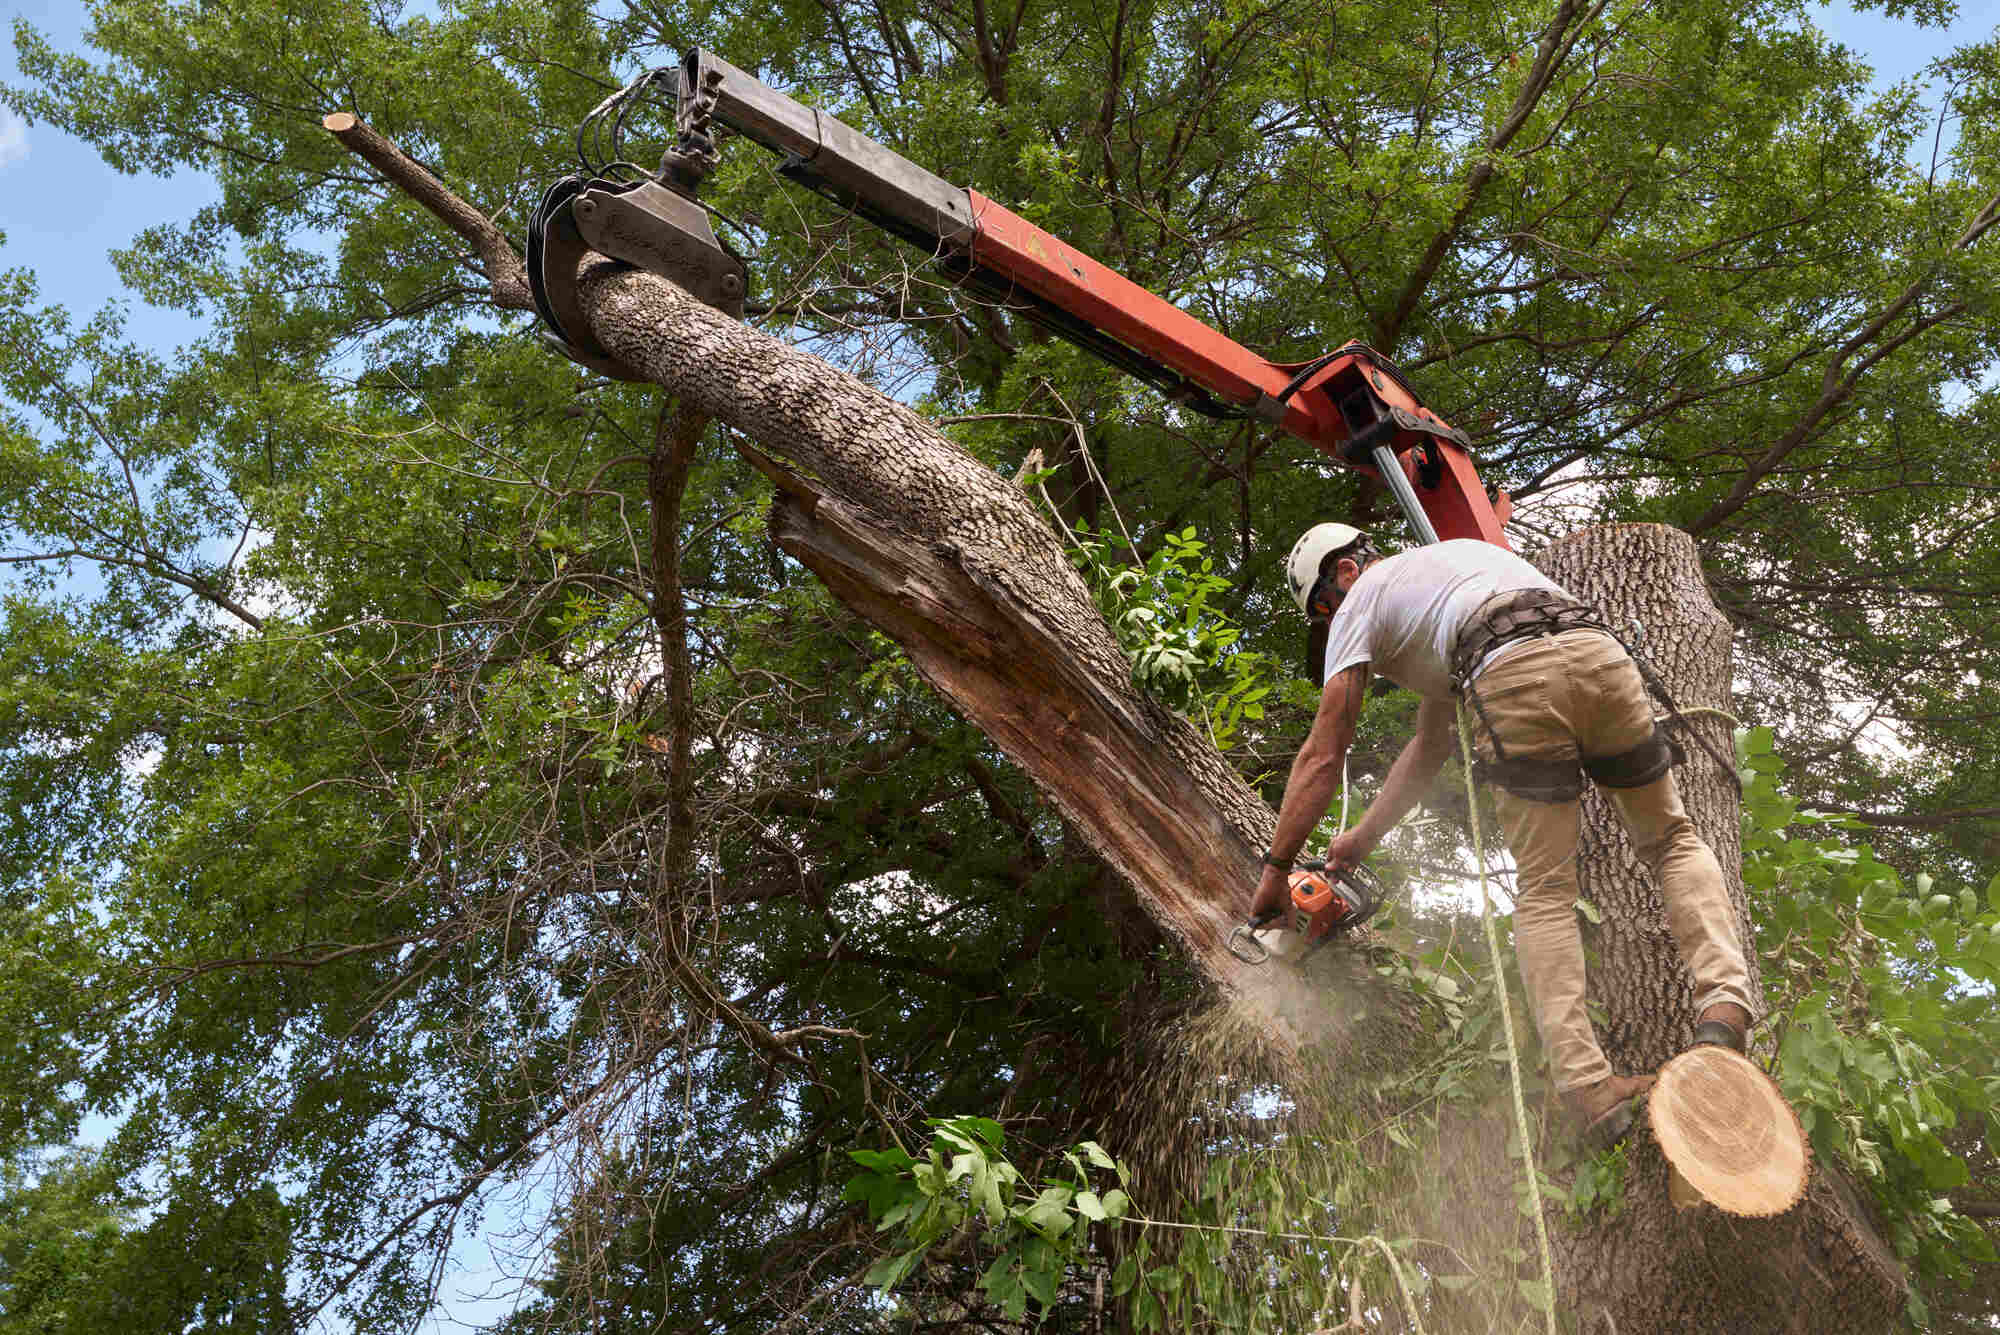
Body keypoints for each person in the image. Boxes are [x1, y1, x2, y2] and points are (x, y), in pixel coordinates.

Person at [1248, 524, 1756, 1145]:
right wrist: (1360, 840)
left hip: (1511, 672)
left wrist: (1275, 872)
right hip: (1599, 652)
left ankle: (1587, 1088)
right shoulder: (1457, 571)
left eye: (1323, 611)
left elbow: (1325, 753)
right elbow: (1430, 746)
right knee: (1671, 839)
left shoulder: (1363, 598)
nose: (1332, 624)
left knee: (1544, 888)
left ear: (1344, 572)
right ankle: (1727, 1003)